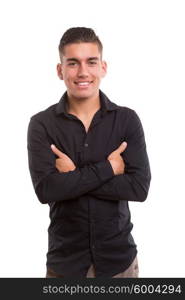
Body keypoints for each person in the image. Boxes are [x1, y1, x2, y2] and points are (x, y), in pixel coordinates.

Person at [27, 27, 151, 278]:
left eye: (91, 62)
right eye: (73, 63)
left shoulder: (126, 120)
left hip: (119, 263)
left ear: (103, 67)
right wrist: (108, 169)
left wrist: (73, 176)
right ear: (60, 70)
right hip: (66, 264)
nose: (83, 72)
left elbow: (138, 188)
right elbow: (46, 190)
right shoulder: (42, 124)